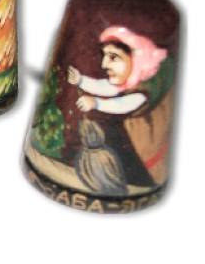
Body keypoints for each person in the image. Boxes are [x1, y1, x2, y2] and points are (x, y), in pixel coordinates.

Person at [68, 25, 173, 186]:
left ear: (136, 59)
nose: (104, 64)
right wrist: (81, 80)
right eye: (104, 56)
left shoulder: (144, 89)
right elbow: (107, 87)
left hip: (145, 144)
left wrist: (96, 103)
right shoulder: (129, 78)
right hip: (132, 138)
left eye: (113, 57)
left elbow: (124, 104)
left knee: (138, 175)